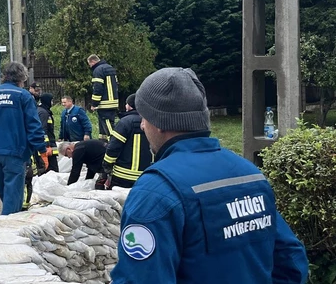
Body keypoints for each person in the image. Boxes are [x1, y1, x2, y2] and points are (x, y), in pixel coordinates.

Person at [110, 68, 308, 284]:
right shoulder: (250, 176)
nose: (141, 124)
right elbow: (291, 260)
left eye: (144, 118)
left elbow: (141, 279)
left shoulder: (156, 191)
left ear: (158, 122)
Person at [0, 62, 46, 216]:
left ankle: (7, 219)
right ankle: (8, 226)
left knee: (4, 190)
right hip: (15, 150)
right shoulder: (23, 96)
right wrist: (41, 149)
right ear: (21, 78)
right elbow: (33, 125)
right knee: (14, 192)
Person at [101, 94, 152, 189]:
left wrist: (107, 166)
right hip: (146, 177)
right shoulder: (152, 122)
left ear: (129, 106)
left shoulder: (125, 122)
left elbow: (113, 147)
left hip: (122, 177)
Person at [87, 54, 119, 141]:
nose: (90, 67)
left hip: (105, 104)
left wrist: (94, 103)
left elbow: (98, 88)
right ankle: (103, 144)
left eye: (89, 64)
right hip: (113, 101)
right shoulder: (110, 68)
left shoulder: (98, 70)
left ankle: (114, 143)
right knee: (103, 130)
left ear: (92, 62)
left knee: (108, 126)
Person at [34, 89, 59, 173]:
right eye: (51, 100)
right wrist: (47, 145)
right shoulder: (43, 113)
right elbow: (43, 129)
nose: (52, 102)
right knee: (51, 170)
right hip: (47, 147)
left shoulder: (42, 111)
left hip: (46, 146)